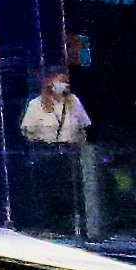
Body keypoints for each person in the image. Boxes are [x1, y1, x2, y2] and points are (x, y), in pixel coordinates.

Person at [23, 60, 96, 235]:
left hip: (70, 153)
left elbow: (84, 126)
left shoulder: (73, 101)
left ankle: (72, 226)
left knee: (71, 192)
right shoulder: (36, 104)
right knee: (49, 192)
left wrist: (82, 146)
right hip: (47, 154)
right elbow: (27, 130)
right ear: (49, 82)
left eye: (65, 81)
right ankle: (49, 226)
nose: (64, 84)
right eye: (60, 80)